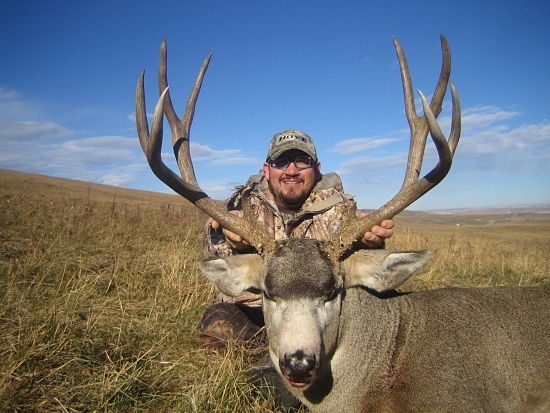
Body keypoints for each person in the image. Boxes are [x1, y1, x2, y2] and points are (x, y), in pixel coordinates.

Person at [199, 129, 394, 347]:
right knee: (218, 328)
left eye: (302, 162)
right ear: (267, 169)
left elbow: (357, 270)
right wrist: (228, 238)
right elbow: (212, 251)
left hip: (318, 315)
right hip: (256, 309)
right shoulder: (242, 205)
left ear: (317, 169)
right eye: (281, 161)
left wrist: (368, 241)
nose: (291, 171)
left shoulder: (340, 210)